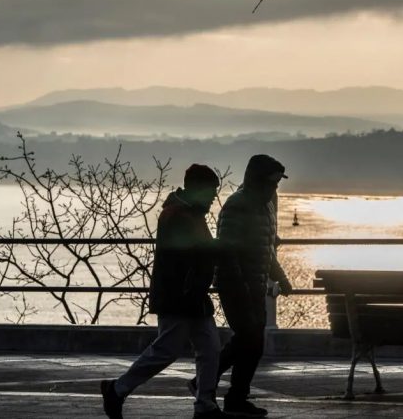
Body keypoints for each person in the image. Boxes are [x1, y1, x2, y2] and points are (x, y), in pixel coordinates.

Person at [101, 164, 227, 419]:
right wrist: (220, 249)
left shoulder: (188, 213)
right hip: (179, 296)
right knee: (167, 350)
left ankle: (205, 404)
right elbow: (191, 253)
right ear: (198, 189)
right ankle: (117, 388)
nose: (214, 196)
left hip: (192, 296)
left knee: (210, 348)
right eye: (212, 190)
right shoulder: (178, 216)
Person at [191, 154, 292, 417]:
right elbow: (227, 251)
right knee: (249, 337)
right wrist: (242, 285)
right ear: (257, 180)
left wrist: (280, 277)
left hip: (255, 283)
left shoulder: (267, 206)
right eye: (272, 182)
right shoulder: (237, 205)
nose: (275, 187)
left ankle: (233, 395)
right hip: (234, 284)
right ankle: (210, 384)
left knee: (253, 341)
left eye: (278, 182)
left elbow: (266, 249)